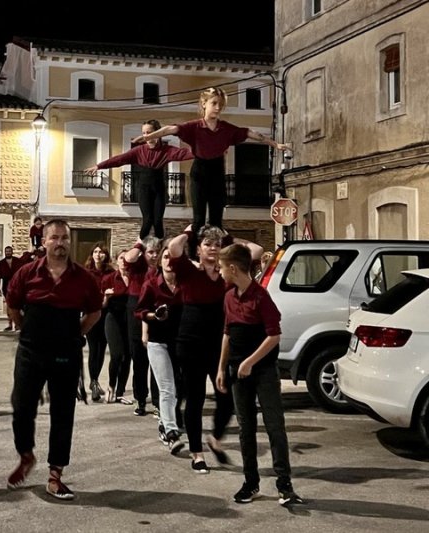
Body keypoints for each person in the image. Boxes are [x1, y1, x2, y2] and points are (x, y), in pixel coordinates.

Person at [5, 219, 102, 500]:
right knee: (22, 407)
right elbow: (12, 305)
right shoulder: (26, 273)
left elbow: (94, 312)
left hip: (65, 353)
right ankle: (26, 456)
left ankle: (55, 474)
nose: (60, 243)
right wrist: (28, 329)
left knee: (62, 413)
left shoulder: (84, 278)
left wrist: (74, 335)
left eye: (64, 238)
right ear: (44, 241)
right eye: (54, 238)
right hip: (30, 351)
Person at [136, 87, 288, 253]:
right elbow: (170, 129)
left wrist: (274, 144)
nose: (217, 107)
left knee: (217, 220)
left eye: (220, 105)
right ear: (204, 104)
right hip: (199, 173)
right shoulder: (194, 127)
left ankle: (217, 255)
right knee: (198, 220)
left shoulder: (226, 129)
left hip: (217, 172)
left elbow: (252, 134)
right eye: (214, 103)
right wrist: (148, 137)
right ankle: (194, 256)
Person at [168, 224, 262, 473]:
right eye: (207, 244)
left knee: (227, 398)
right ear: (198, 249)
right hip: (189, 343)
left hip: (220, 344)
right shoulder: (188, 270)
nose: (212, 248)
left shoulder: (228, 274)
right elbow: (173, 247)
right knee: (195, 399)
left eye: (217, 245)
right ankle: (197, 453)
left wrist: (228, 238)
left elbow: (256, 250)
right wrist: (189, 232)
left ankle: (215, 439)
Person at [216, 244, 303, 506]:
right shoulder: (229, 296)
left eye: (222, 268)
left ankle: (284, 485)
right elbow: (227, 333)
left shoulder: (261, 297)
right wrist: (222, 368)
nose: (220, 273)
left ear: (232, 268)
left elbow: (274, 336)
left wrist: (251, 362)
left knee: (275, 426)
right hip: (236, 371)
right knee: (246, 429)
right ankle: (250, 483)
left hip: (262, 371)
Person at [85, 120, 193, 240]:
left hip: (159, 189)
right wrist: (99, 166)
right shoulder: (139, 151)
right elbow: (119, 159)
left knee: (158, 222)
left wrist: (205, 149)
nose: (146, 136)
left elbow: (185, 153)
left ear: (157, 133)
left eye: (149, 132)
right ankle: (140, 247)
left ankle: (160, 250)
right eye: (144, 133)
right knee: (147, 221)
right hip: (144, 188)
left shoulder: (166, 150)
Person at [136, 238, 185, 454]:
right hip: (158, 342)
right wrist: (153, 316)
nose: (168, 261)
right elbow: (139, 311)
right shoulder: (151, 285)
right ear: (160, 261)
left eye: (172, 257)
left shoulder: (187, 284)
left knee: (180, 388)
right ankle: (172, 432)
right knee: (167, 388)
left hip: (182, 342)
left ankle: (165, 424)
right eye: (165, 257)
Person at [123, 236, 162, 417]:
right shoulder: (137, 266)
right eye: (150, 252)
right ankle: (140, 399)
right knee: (138, 357)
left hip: (156, 309)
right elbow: (129, 257)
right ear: (144, 253)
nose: (154, 256)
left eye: (156, 252)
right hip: (135, 307)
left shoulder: (162, 269)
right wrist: (140, 242)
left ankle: (157, 402)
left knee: (157, 356)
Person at [82, 243, 114, 402]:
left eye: (101, 252)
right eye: (95, 251)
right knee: (94, 348)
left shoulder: (111, 273)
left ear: (106, 255)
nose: (98, 254)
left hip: (107, 316)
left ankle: (95, 380)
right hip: (91, 314)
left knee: (102, 349)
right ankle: (94, 383)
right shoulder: (87, 273)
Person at [101, 250, 132, 404]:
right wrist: (106, 297)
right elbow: (101, 306)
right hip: (113, 319)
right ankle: (111, 386)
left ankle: (120, 392)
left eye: (127, 258)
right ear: (116, 261)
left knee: (128, 356)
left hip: (131, 321)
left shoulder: (136, 279)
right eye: (121, 258)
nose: (124, 261)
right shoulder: (109, 279)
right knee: (117, 355)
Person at [0, 246, 25, 332]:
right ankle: (9, 324)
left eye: (9, 251)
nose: (8, 252)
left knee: (17, 305)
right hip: (6, 285)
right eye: (6, 251)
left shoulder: (18, 261)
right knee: (9, 305)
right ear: (5, 252)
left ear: (12, 252)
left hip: (17, 285)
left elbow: (23, 273)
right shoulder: (1, 263)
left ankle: (17, 324)